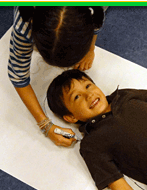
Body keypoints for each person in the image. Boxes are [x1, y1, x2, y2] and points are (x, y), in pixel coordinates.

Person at [8, 6, 106, 147]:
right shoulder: (24, 23)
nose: (89, 95)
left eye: (88, 85)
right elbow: (18, 76)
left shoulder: (95, 9)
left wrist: (90, 49)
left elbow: (97, 21)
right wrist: (45, 125)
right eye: (76, 96)